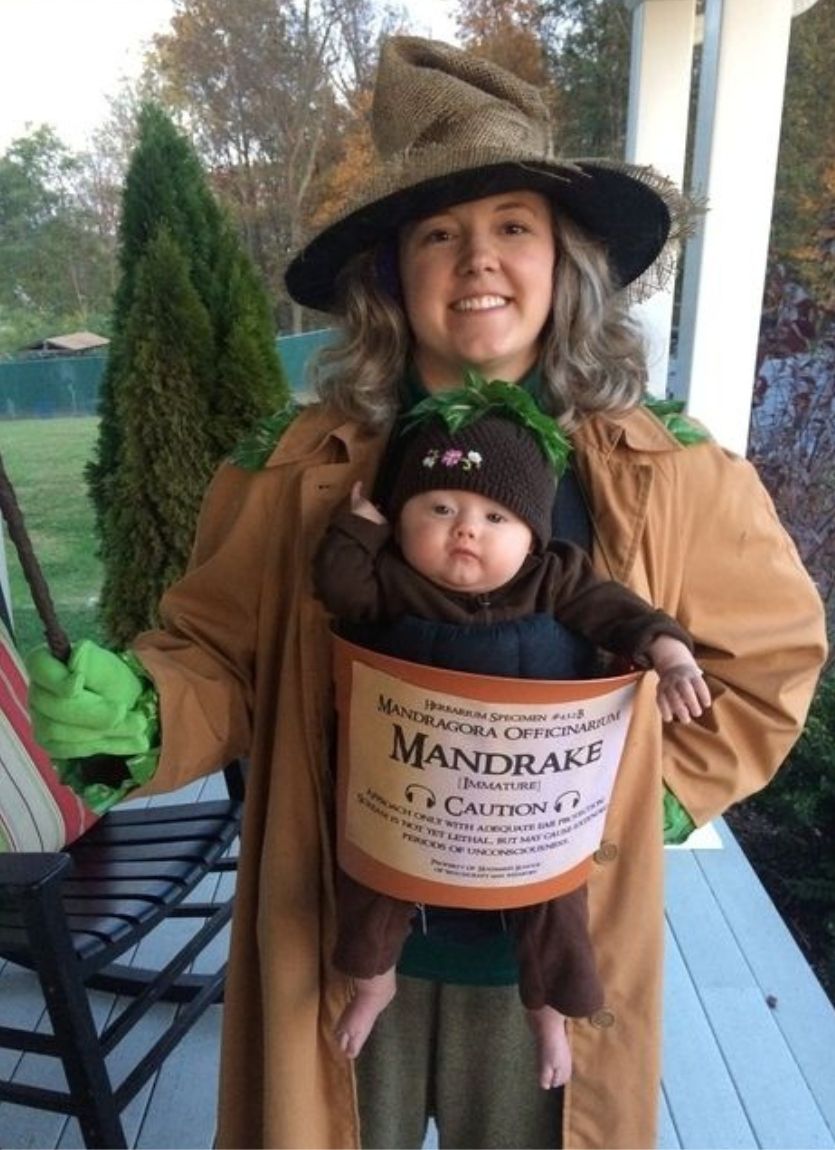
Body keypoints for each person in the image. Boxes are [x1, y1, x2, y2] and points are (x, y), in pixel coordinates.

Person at [24, 34, 826, 1150]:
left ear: (565, 261)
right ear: (392, 272)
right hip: (343, 925)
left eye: (512, 227)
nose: (477, 259)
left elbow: (767, 659)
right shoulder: (297, 462)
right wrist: (147, 707)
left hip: (552, 947)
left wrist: (634, 802)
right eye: (438, 233)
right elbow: (216, 652)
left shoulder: (667, 463)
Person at [313, 382, 711, 1087]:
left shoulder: (555, 580)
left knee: (554, 903)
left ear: (532, 533)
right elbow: (340, 590)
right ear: (403, 524)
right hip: (414, 795)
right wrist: (359, 529)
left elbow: (620, 614)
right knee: (376, 883)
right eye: (438, 509)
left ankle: (550, 1014)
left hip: (533, 805)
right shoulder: (395, 583)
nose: (465, 529)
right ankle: (374, 980)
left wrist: (669, 651)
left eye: (494, 516)